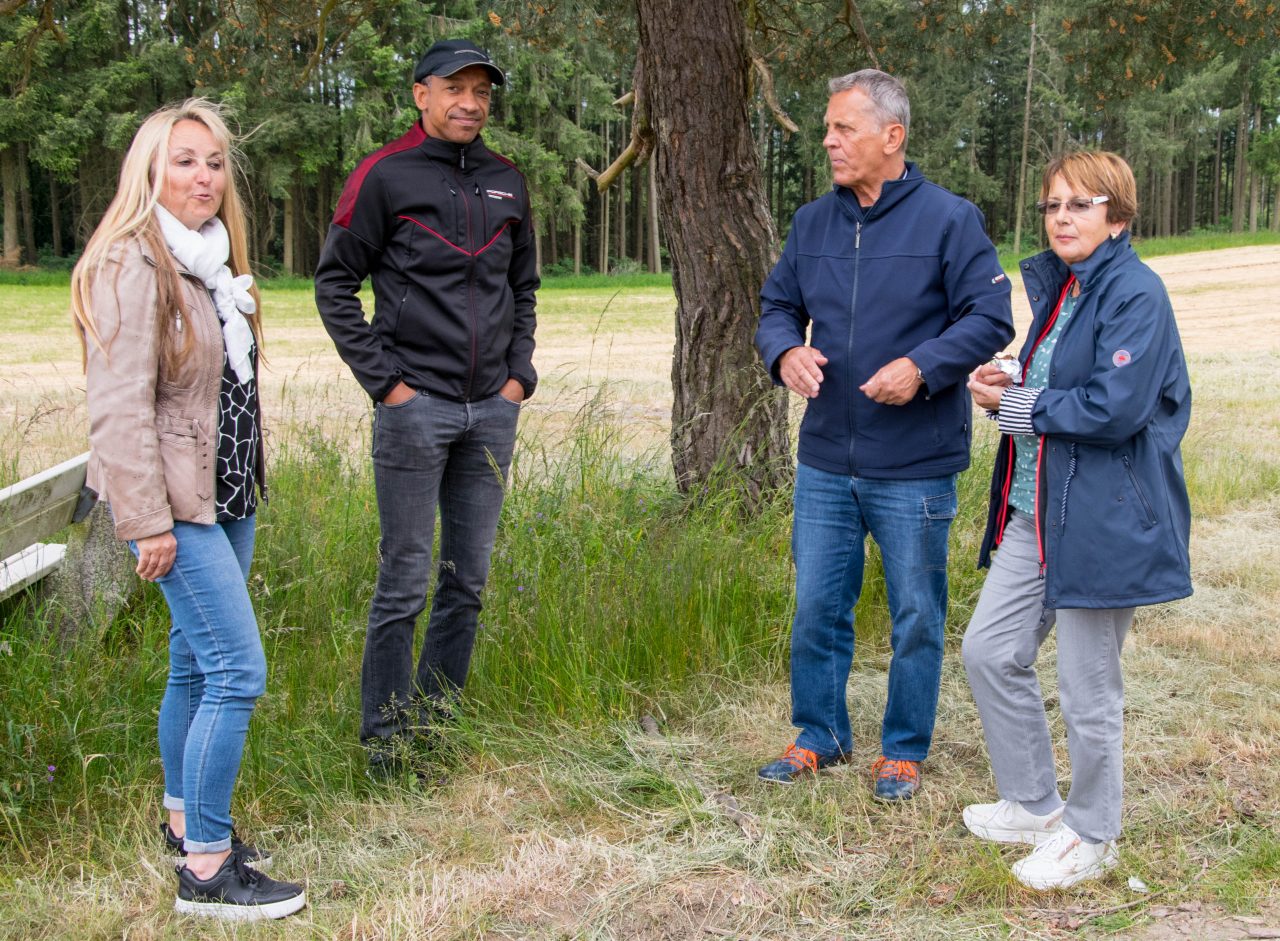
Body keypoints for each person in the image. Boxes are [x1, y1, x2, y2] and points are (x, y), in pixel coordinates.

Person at [71, 100, 305, 920]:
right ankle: (206, 869)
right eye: (184, 160)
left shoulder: (209, 260)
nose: (203, 176)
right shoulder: (132, 262)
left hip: (226, 491)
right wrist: (146, 522)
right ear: (149, 171)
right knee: (239, 670)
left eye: (213, 162)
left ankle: (183, 821)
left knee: (196, 663)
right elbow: (118, 407)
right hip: (175, 504)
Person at [754, 69, 1015, 799]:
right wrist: (785, 351)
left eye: (844, 128)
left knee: (916, 614)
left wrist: (923, 367)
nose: (828, 141)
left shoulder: (950, 220)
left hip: (915, 462)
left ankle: (902, 748)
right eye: (828, 128)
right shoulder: (812, 223)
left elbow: (991, 318)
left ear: (892, 136)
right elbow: (776, 307)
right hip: (826, 460)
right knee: (817, 608)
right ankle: (819, 734)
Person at [961, 151, 1192, 889]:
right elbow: (1063, 381)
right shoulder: (1067, 286)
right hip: (1037, 510)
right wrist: (1011, 377)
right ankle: (1034, 804)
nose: (1061, 217)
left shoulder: (1136, 293)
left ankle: (1093, 835)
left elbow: (1114, 407)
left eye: (1079, 204)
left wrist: (1014, 403)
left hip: (1102, 517)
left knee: (1088, 689)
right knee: (989, 650)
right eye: (1052, 205)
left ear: (1116, 216)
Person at [315, 39, 538, 778]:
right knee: (404, 583)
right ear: (421, 94)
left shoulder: (508, 181)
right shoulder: (384, 175)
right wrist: (388, 386)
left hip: (491, 412)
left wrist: (517, 378)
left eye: (482, 92)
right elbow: (334, 285)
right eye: (455, 88)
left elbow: (524, 288)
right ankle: (385, 744)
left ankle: (436, 732)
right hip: (415, 409)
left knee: (465, 584)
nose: (470, 103)